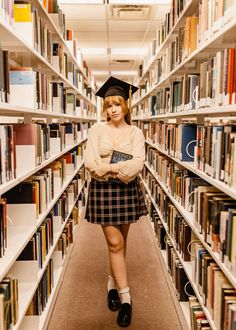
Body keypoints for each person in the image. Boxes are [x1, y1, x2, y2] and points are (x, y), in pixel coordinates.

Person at [84, 76, 147, 327]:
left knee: (122, 243)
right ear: (105, 108)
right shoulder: (96, 130)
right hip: (103, 193)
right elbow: (90, 164)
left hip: (127, 191)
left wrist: (107, 166)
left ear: (125, 105)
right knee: (115, 242)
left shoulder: (136, 132)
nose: (112, 109)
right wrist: (118, 167)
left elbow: (136, 166)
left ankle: (112, 284)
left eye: (117, 104)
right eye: (108, 105)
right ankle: (126, 299)